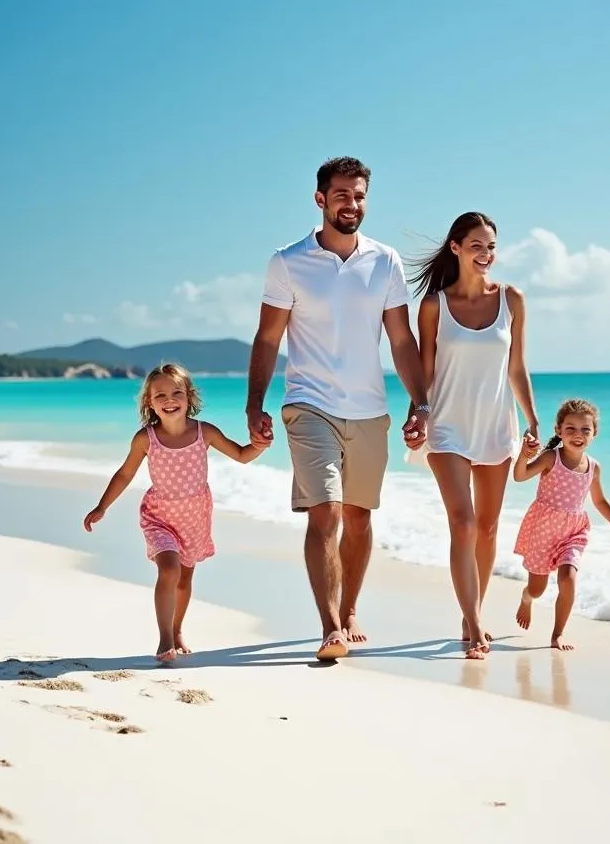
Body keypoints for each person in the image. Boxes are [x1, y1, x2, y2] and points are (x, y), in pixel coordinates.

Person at [246, 156, 430, 661]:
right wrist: (253, 404)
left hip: (369, 408)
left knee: (359, 517)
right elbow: (268, 337)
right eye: (343, 195)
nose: (352, 204)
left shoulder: (385, 261)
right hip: (309, 404)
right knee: (324, 513)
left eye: (360, 195)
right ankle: (329, 626)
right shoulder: (288, 261)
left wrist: (421, 402)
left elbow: (401, 339)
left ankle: (350, 609)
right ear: (320, 199)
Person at [408, 212, 540, 659]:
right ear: (456, 248)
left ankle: (471, 611)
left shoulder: (512, 299)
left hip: (496, 424)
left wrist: (534, 420)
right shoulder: (434, 305)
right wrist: (418, 415)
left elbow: (516, 367)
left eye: (491, 247)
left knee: (486, 528)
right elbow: (424, 369)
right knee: (462, 523)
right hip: (446, 425)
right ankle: (477, 623)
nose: (486, 255)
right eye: (477, 246)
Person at [83, 363, 265, 662]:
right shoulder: (146, 439)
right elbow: (125, 474)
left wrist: (261, 445)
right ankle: (165, 639)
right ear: (149, 403)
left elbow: (243, 455)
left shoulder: (204, 432)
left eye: (177, 392)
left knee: (184, 579)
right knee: (169, 570)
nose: (170, 400)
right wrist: (102, 506)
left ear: (189, 396)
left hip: (195, 516)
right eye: (161, 395)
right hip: (160, 516)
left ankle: (178, 629)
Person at [513, 398, 610, 650]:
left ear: (594, 434)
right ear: (559, 431)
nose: (578, 434)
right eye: (570, 428)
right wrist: (523, 455)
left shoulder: (594, 467)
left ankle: (557, 634)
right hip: (543, 529)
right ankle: (526, 599)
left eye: (585, 429)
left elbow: (600, 501)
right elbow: (520, 476)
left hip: (573, 530)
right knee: (537, 590)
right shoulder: (551, 457)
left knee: (568, 578)